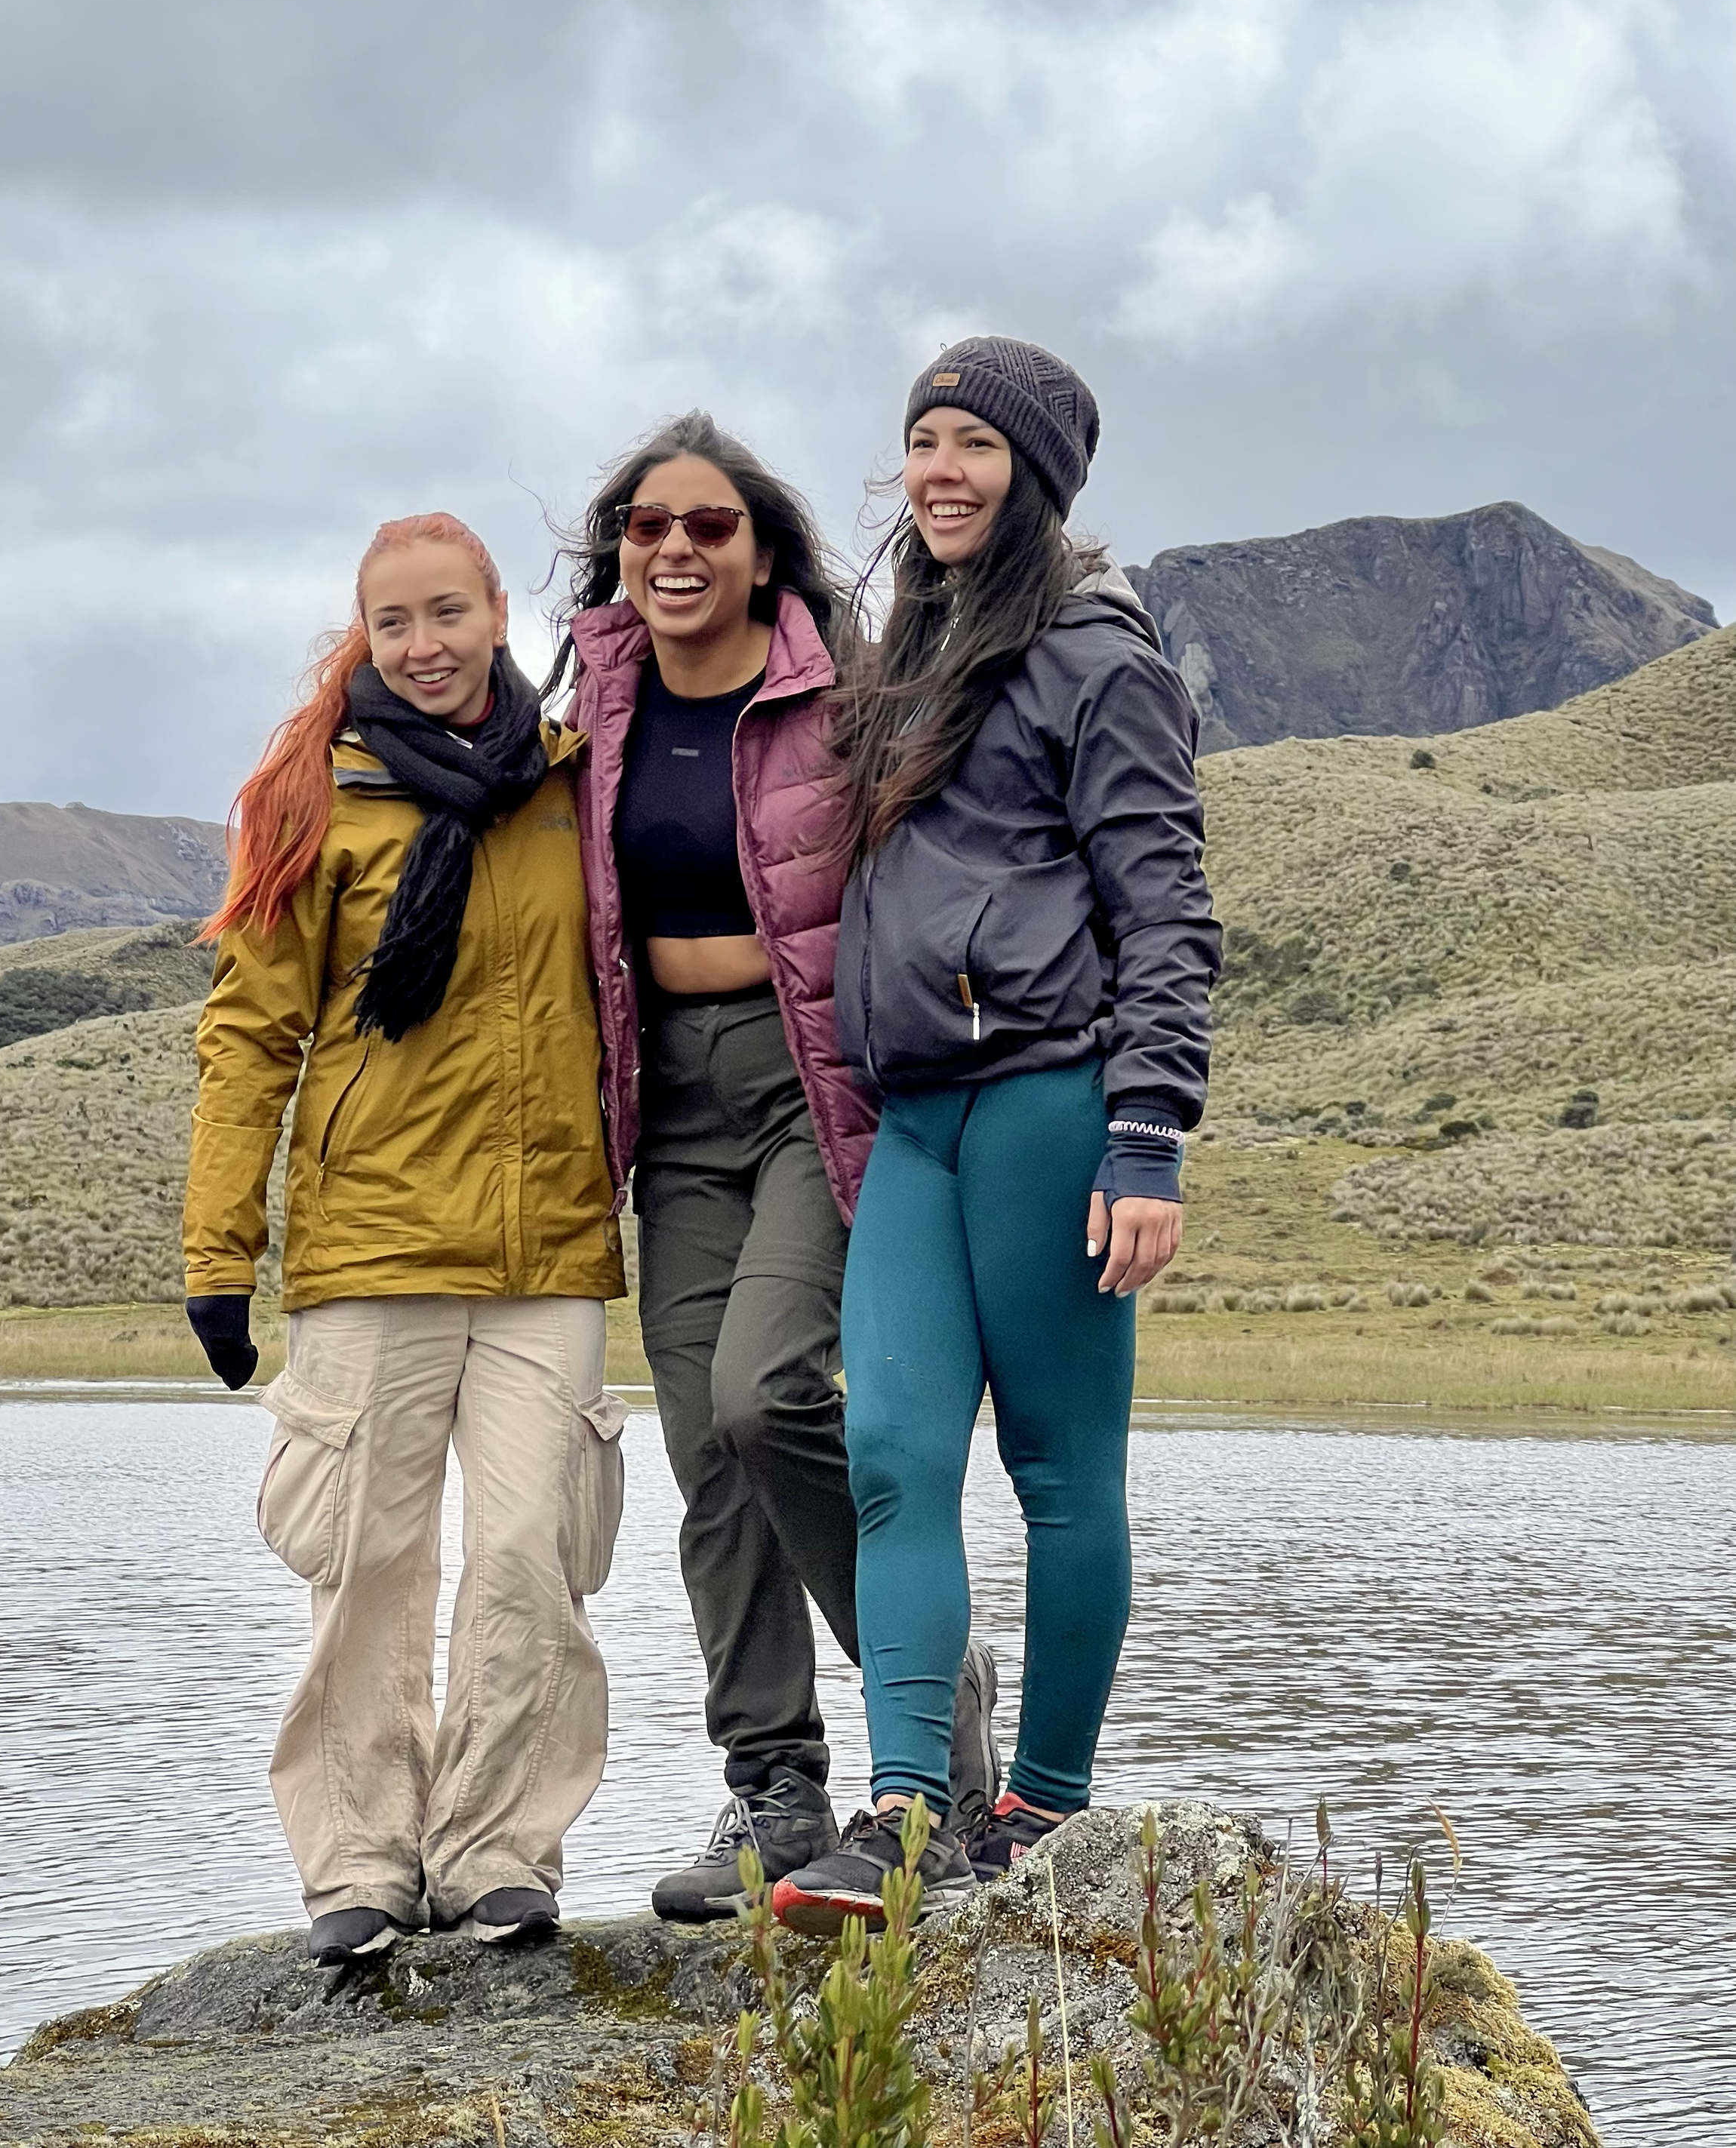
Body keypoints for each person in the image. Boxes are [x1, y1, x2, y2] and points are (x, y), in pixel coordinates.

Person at [771, 337, 1222, 1932]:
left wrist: (1147, 1133)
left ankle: (1040, 1811)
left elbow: (1164, 907)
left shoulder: (1102, 659)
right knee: (890, 1451)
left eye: (972, 444)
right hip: (917, 1121)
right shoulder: (908, 653)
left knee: (1055, 1469)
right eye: (921, 441)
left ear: (1035, 474)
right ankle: (902, 1813)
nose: (939, 471)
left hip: (1048, 1102)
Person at [548, 411, 1000, 1921]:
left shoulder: (841, 697)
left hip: (812, 1083)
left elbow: (957, 857)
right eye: (645, 524)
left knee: (766, 1392)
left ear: (760, 551)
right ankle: (772, 1787)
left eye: (707, 526)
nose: (673, 548)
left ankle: (929, 1702)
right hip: (666, 1103)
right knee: (702, 1453)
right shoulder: (596, 704)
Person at [183, 512, 627, 1966]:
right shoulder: (313, 798)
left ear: (500, 612)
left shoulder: (576, 783)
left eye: (450, 613)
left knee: (527, 1557)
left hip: (548, 1247)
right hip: (371, 1247)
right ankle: (361, 1865)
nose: (424, 646)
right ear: (361, 635)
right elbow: (251, 1035)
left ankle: (500, 1852)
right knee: (367, 1567)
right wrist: (216, 1252)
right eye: (395, 623)